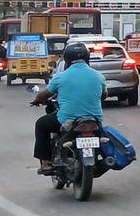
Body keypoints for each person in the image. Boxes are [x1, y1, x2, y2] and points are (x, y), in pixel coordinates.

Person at [30, 42, 106, 175]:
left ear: (67, 61)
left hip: (67, 120)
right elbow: (104, 95)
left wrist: (37, 100)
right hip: (95, 120)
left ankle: (46, 162)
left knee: (41, 124)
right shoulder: (98, 75)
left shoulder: (60, 77)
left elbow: (44, 94)